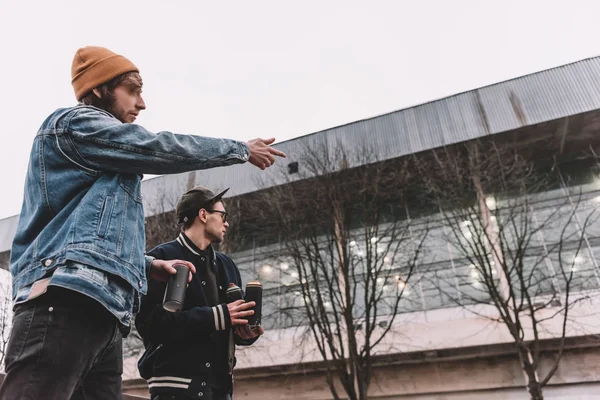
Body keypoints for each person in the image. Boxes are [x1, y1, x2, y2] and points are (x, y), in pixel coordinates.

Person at [0, 46, 285, 400]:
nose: (142, 103)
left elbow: (93, 236)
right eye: (133, 91)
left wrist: (148, 265)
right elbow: (157, 146)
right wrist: (239, 149)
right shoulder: (75, 124)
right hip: (65, 300)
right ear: (101, 88)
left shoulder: (110, 162)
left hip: (106, 316)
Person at [136, 186, 262, 400]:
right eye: (223, 215)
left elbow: (226, 325)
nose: (227, 223)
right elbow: (150, 325)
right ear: (203, 215)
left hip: (221, 388)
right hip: (175, 387)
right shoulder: (161, 258)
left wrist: (245, 334)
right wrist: (218, 316)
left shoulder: (227, 265)